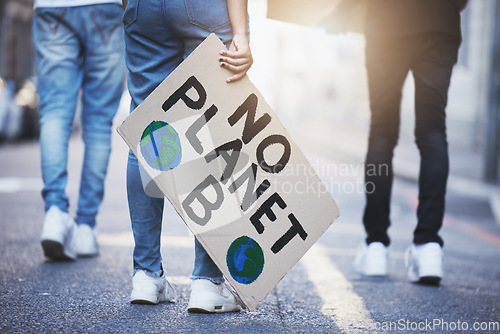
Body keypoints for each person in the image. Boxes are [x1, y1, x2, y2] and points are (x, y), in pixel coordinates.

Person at [122, 0, 253, 312]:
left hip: (144, 10)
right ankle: (207, 284)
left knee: (147, 129)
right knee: (213, 132)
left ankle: (146, 275)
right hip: (204, 8)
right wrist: (242, 33)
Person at [351, 0, 467, 285]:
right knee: (433, 132)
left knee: (382, 132)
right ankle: (428, 248)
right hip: (439, 19)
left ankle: (376, 246)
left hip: (386, 21)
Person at [33, 0, 125, 260]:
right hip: (106, 6)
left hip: (51, 7)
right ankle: (85, 227)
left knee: (54, 113)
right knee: (98, 122)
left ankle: (55, 213)